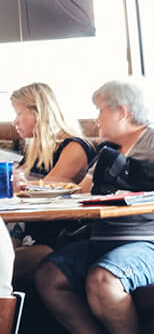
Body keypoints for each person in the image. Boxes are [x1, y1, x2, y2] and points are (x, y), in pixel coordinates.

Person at [35, 80, 154, 334]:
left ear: (123, 112)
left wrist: (134, 177)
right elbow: (81, 193)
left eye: (100, 110)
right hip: (117, 243)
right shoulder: (109, 151)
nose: (96, 119)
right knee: (49, 275)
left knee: (103, 279)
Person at [7, 83, 94, 288]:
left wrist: (17, 186)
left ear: (41, 113)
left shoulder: (73, 147)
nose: (15, 121)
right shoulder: (35, 150)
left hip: (54, 243)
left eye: (19, 113)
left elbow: (44, 196)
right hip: (26, 238)